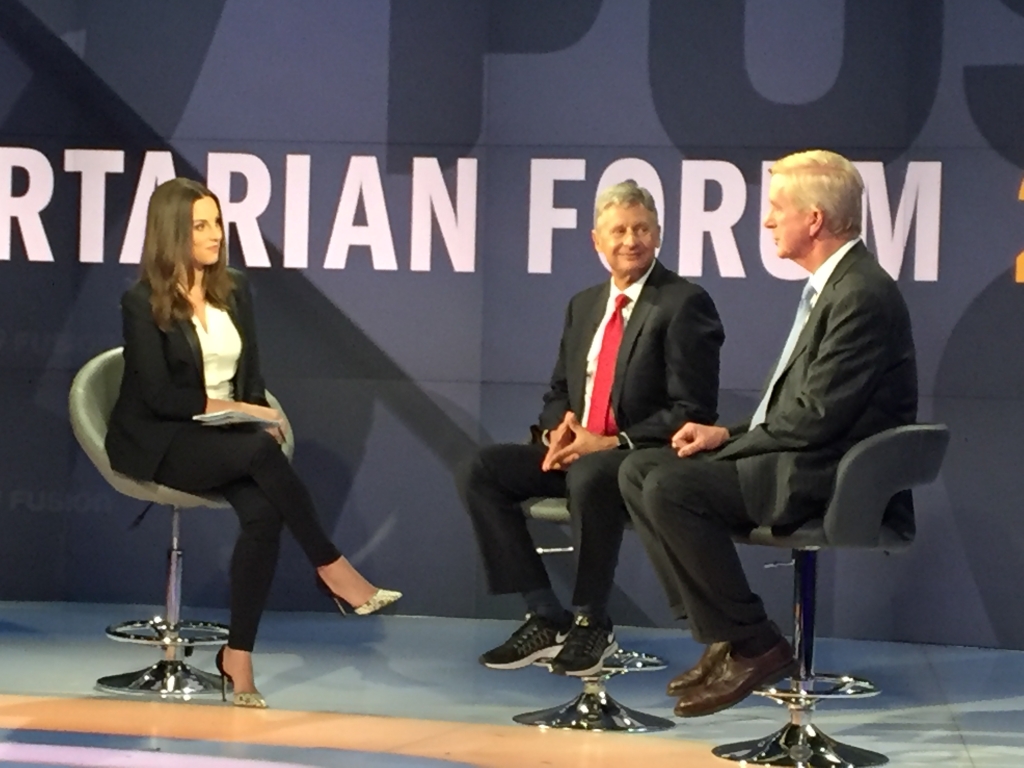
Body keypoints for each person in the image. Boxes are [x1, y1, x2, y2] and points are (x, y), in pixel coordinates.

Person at [619, 150, 918, 717]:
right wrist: (719, 436)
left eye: (777, 208)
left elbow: (815, 418)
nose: (766, 221)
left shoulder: (860, 295)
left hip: (829, 475)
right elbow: (803, 411)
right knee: (637, 470)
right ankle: (724, 634)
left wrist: (730, 444)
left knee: (670, 488)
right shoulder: (836, 285)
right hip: (805, 456)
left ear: (814, 220)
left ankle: (756, 644)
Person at [105, 178, 401, 708]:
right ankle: (334, 570)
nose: (215, 234)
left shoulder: (234, 288)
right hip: (161, 439)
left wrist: (247, 410)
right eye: (200, 225)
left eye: (217, 222)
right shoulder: (140, 301)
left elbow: (250, 373)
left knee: (264, 514)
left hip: (221, 437)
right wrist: (243, 413)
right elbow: (157, 395)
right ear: (173, 232)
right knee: (263, 453)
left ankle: (237, 656)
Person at [455, 180, 724, 677]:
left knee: (589, 475)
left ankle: (591, 620)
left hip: (639, 459)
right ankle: (544, 613)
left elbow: (693, 410)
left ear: (659, 234)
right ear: (595, 241)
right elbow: (559, 389)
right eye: (618, 230)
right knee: (482, 468)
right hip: (582, 449)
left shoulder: (684, 303)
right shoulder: (584, 305)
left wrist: (609, 442)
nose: (630, 240)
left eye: (641, 228)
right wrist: (556, 433)